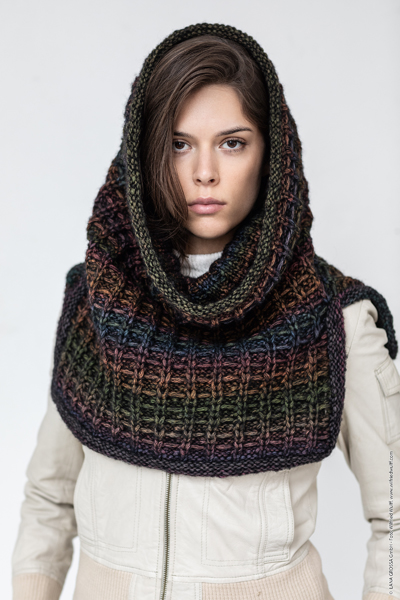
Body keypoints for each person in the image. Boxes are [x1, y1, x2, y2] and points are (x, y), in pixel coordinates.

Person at [11, 23, 400, 600]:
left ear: (272, 153)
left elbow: (395, 512)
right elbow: (49, 499)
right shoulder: (98, 298)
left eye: (232, 143)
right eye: (179, 143)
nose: (204, 172)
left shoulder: (331, 317)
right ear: (146, 153)